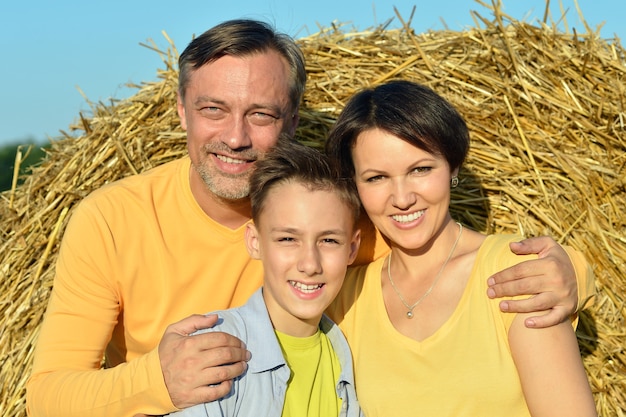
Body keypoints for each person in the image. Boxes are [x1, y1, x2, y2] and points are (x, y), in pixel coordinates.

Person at [26, 19, 592, 417]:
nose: (235, 137)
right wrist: (159, 381)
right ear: (179, 110)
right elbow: (46, 397)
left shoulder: (340, 219)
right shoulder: (110, 220)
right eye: (212, 109)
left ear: (292, 119)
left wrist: (575, 271)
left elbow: (442, 251)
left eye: (261, 114)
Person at [325, 79, 597, 417]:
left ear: (452, 167)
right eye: (376, 178)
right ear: (355, 184)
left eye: (420, 169)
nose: (403, 198)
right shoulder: (344, 297)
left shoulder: (513, 273)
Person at [167, 139, 363, 417]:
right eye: (287, 239)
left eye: (329, 240)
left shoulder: (346, 354)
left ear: (352, 248)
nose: (309, 264)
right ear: (255, 242)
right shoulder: (212, 353)